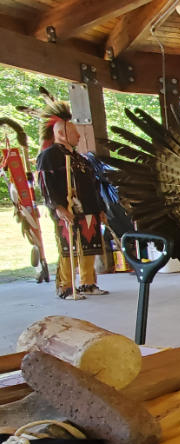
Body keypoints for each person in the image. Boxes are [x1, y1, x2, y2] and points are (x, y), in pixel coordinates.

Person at [30, 90, 108, 300]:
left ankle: (87, 283)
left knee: (89, 245)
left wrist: (100, 207)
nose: (79, 135)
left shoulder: (80, 159)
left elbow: (92, 185)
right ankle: (65, 286)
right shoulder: (49, 156)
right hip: (68, 209)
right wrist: (58, 207)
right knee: (69, 248)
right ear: (61, 134)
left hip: (89, 208)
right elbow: (46, 186)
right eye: (74, 131)